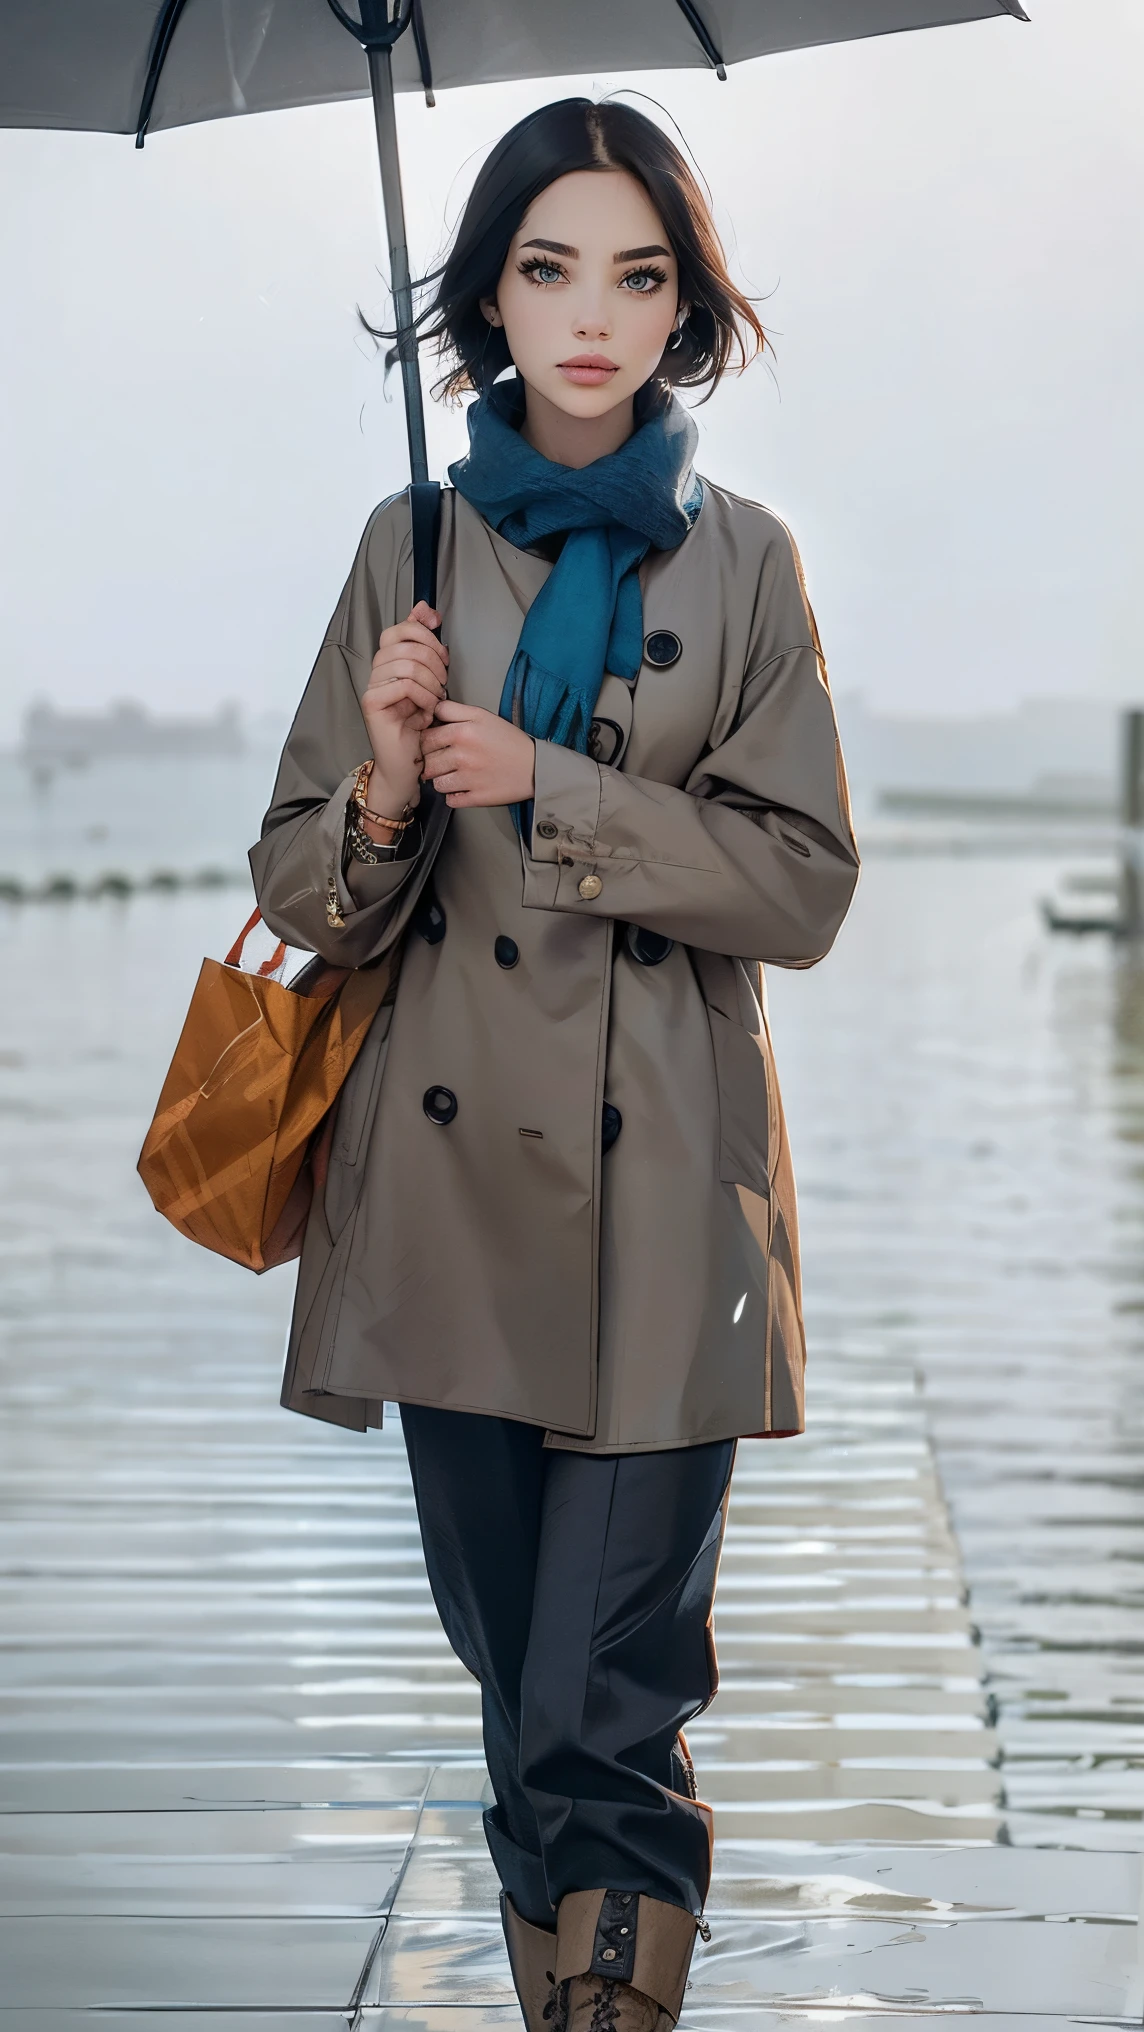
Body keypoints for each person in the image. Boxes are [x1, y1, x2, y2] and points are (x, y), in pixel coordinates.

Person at [251, 97, 858, 2032]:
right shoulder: (405, 548)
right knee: (521, 1683)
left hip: (667, 1195)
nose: (589, 315)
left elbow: (803, 882)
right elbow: (303, 892)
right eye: (546, 266)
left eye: (637, 272)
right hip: (441, 1211)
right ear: (488, 294)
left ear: (683, 307)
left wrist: (555, 786)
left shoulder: (747, 565)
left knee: (612, 1695)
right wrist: (383, 771)